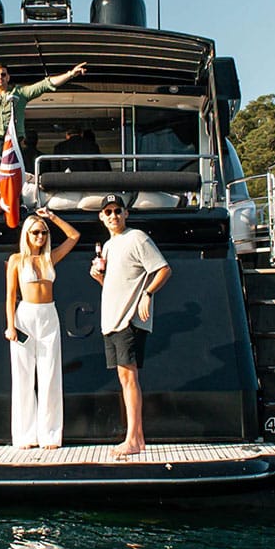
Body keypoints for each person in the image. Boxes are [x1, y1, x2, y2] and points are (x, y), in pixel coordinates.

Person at [90, 194, 171, 457]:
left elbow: (163, 269)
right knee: (124, 378)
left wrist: (147, 294)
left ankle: (133, 439)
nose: (113, 216)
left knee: (129, 377)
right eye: (108, 212)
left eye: (117, 211)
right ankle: (138, 438)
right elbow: (117, 285)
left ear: (126, 214)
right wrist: (99, 277)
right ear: (101, 217)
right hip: (111, 320)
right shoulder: (110, 246)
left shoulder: (137, 238)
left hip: (128, 320)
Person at [3, 206, 81, 449]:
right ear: (27, 234)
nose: (40, 237)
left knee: (50, 375)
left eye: (44, 233)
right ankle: (25, 435)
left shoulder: (50, 257)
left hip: (49, 315)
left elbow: (74, 236)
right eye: (36, 232)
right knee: (23, 376)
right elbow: (10, 295)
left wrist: (52, 218)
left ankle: (50, 434)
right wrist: (10, 326)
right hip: (25, 315)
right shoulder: (17, 260)